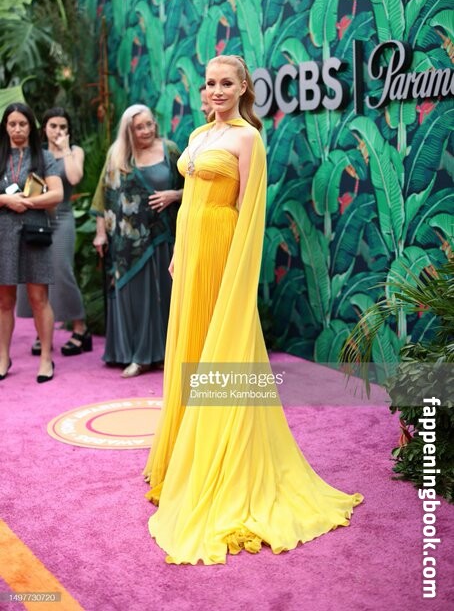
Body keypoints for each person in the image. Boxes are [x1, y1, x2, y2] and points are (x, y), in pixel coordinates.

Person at [143, 55, 363, 565]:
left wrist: (238, 275)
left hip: (223, 250)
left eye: (227, 83)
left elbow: (248, 210)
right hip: (191, 251)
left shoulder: (248, 139)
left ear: (244, 87)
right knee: (191, 347)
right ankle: (184, 459)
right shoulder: (199, 135)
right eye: (211, 83)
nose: (217, 90)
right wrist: (178, 249)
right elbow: (191, 197)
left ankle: (220, 463)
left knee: (219, 351)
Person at [92, 105, 183, 377]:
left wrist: (174, 195)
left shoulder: (170, 150)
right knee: (137, 298)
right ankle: (139, 356)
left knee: (167, 296)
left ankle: (166, 354)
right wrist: (100, 233)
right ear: (128, 131)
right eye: (139, 127)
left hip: (164, 235)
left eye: (149, 124)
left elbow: (193, 188)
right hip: (128, 243)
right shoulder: (117, 155)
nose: (146, 131)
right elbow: (104, 195)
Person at [16, 107, 91, 356]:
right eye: (53, 126)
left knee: (62, 270)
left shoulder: (75, 151)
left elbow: (75, 177)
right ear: (44, 128)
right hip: (36, 219)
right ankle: (43, 332)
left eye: (63, 127)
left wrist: (65, 148)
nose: (58, 131)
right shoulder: (35, 153)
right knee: (36, 275)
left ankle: (80, 328)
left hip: (62, 217)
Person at [0, 103, 63, 383]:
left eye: (22, 124)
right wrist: (6, 200)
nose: (17, 129)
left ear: (31, 127)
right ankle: (3, 357)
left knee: (39, 298)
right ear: (5, 126)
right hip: (3, 234)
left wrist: (25, 202)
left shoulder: (44, 156)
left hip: (34, 233)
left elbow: (57, 194)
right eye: (12, 124)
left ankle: (46, 358)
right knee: (4, 301)